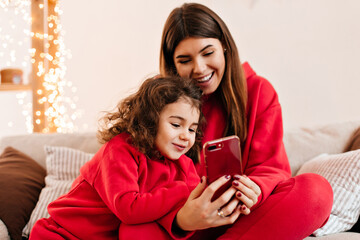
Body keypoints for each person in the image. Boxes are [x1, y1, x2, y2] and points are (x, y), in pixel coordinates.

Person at [159, 3, 334, 239]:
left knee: (317, 191)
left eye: (208, 53)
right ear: (173, 65)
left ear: (225, 48)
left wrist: (257, 190)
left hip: (244, 217)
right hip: (190, 222)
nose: (199, 68)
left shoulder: (259, 91)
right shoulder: (161, 104)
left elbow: (271, 168)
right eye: (185, 60)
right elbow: (149, 183)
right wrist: (182, 220)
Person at [29, 76, 209, 239]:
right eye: (176, 124)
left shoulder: (183, 165)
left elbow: (195, 200)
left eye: (192, 129)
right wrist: (183, 190)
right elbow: (129, 208)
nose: (186, 136)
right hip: (63, 234)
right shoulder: (119, 150)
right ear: (150, 120)